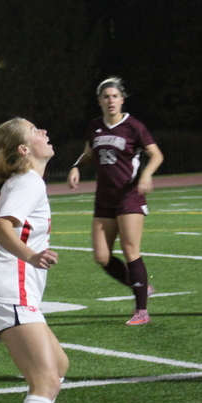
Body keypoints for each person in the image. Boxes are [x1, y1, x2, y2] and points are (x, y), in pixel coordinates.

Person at [0, 117, 68, 403]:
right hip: (12, 292)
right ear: (24, 149)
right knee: (46, 381)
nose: (44, 131)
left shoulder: (16, 184)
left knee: (58, 366)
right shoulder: (28, 182)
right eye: (35, 131)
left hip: (10, 293)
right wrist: (31, 256)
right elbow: (2, 228)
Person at [67, 77, 164, 325]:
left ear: (122, 100)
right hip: (104, 200)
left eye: (115, 96)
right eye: (106, 96)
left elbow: (156, 155)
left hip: (129, 196)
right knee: (101, 257)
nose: (111, 100)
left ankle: (141, 311)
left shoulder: (133, 126)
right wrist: (77, 166)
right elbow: (88, 155)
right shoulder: (95, 127)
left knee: (131, 250)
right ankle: (140, 285)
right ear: (99, 101)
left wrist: (146, 174)